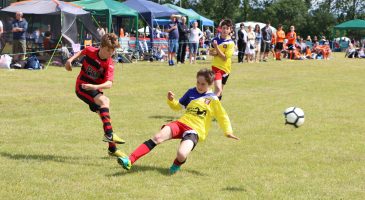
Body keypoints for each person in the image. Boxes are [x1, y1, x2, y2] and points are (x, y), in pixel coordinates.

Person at [117, 68, 239, 174]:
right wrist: (171, 100)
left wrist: (228, 131)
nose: (199, 86)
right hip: (181, 123)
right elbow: (177, 107)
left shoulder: (213, 99)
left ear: (210, 85)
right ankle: (129, 160)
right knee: (157, 137)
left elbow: (222, 116)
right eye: (198, 82)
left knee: (181, 154)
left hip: (194, 131)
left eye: (203, 84)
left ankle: (176, 164)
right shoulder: (191, 92)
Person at [64, 33, 126, 158]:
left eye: (112, 51)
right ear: (101, 47)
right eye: (108, 50)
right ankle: (109, 136)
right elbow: (83, 51)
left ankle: (112, 149)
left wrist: (94, 87)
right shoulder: (91, 50)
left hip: (92, 89)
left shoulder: (109, 63)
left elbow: (109, 84)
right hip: (81, 87)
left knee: (105, 117)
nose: (110, 53)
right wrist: (70, 60)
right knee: (105, 101)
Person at [210, 19, 235, 100]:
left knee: (220, 91)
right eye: (223, 28)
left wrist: (216, 48)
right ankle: (207, 105)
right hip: (216, 68)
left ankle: (216, 108)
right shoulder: (215, 39)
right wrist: (217, 52)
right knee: (218, 89)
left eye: (227, 28)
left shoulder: (231, 43)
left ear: (230, 30)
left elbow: (224, 57)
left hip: (226, 69)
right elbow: (211, 52)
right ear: (221, 28)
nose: (225, 30)